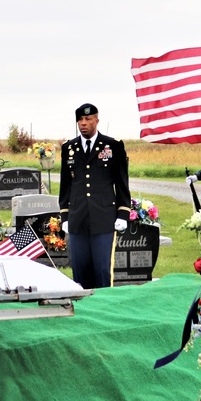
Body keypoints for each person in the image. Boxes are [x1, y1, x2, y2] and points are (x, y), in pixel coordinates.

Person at [58, 103, 131, 289]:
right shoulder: (69, 148)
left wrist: (123, 213)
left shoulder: (112, 146)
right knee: (79, 272)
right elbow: (65, 185)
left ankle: (104, 308)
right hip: (78, 218)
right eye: (80, 120)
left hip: (103, 219)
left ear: (96, 121)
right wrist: (65, 215)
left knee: (101, 271)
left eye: (88, 119)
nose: (83, 123)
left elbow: (122, 183)